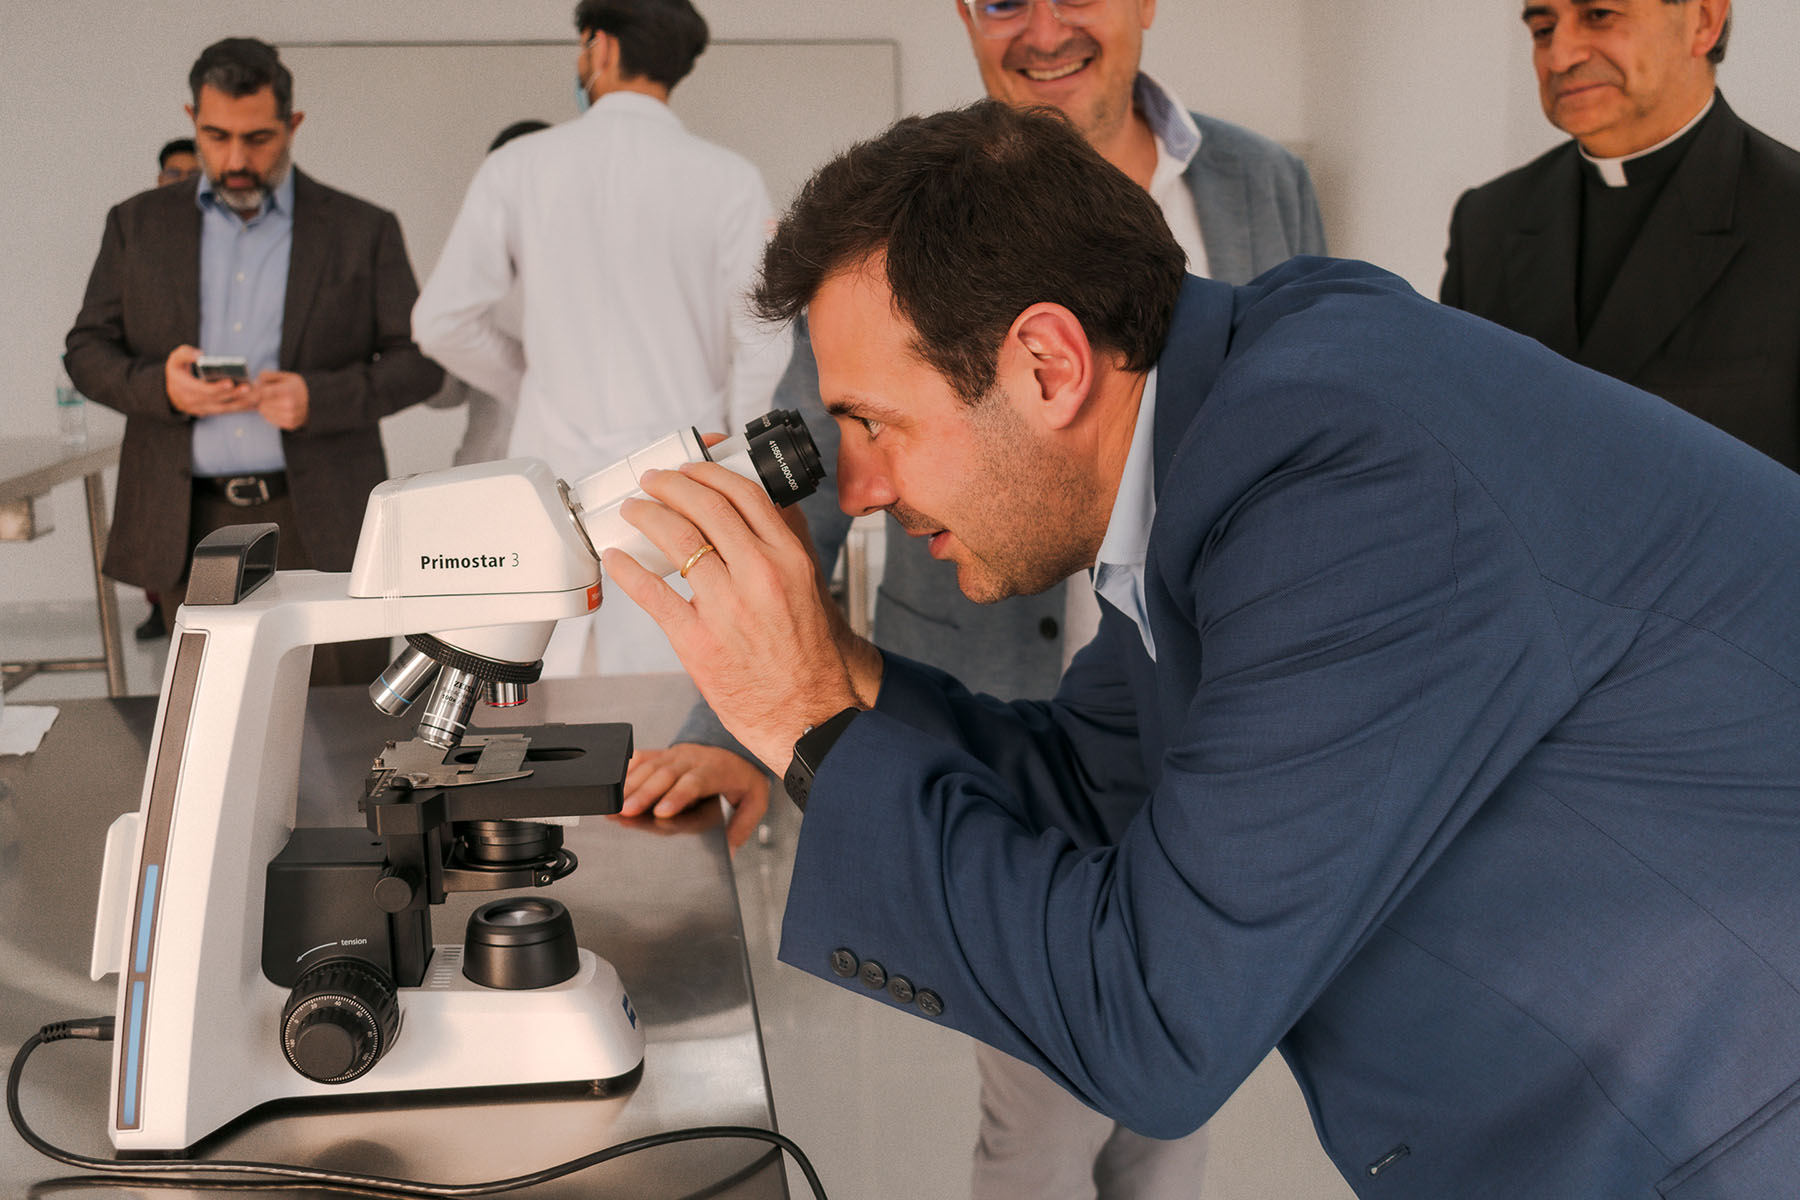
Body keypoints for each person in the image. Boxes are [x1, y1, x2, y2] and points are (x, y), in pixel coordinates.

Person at [604, 101, 1800, 1198]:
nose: (853, 488)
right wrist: (839, 672)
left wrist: (801, 719)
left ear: (1047, 364)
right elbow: (1094, 790)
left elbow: (1158, 1025)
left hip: (1723, 1133)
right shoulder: (1229, 426)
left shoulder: (1343, 483)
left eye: (871, 422)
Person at [629, 2, 1324, 1193]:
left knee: (1172, 1095)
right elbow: (823, 463)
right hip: (1016, 687)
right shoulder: (897, 222)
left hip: (1200, 706)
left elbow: (1287, 403)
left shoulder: (1264, 187)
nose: (1043, 27)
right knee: (1045, 1107)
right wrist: (746, 725)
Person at [413, 0, 791, 678]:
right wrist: (736, 454)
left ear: (603, 47)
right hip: (685, 489)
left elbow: (440, 321)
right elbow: (764, 337)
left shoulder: (520, 167)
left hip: (549, 487)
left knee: (540, 699)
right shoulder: (728, 179)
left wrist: (527, 381)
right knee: (683, 695)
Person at [65, 38, 441, 685]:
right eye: (216, 136)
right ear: (192, 120)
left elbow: (420, 362)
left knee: (342, 723)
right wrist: (163, 388)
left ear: (292, 125)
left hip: (321, 515)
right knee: (209, 725)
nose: (236, 159)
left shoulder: (361, 228)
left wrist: (318, 398)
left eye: (259, 138)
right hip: (189, 524)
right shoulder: (137, 225)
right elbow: (86, 350)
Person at [1442, 0, 1800, 469]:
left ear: (1703, 21)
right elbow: (1453, 444)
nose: (1560, 57)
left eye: (1599, 15)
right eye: (1544, 29)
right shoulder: (1487, 219)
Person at [421, 119, 549, 468]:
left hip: (569, 475)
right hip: (484, 469)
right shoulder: (472, 275)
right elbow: (445, 396)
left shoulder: (590, 275)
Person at [133, 137, 208, 644]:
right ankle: (157, 605)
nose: (180, 184)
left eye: (191, 174)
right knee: (162, 526)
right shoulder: (137, 236)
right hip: (165, 409)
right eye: (172, 174)